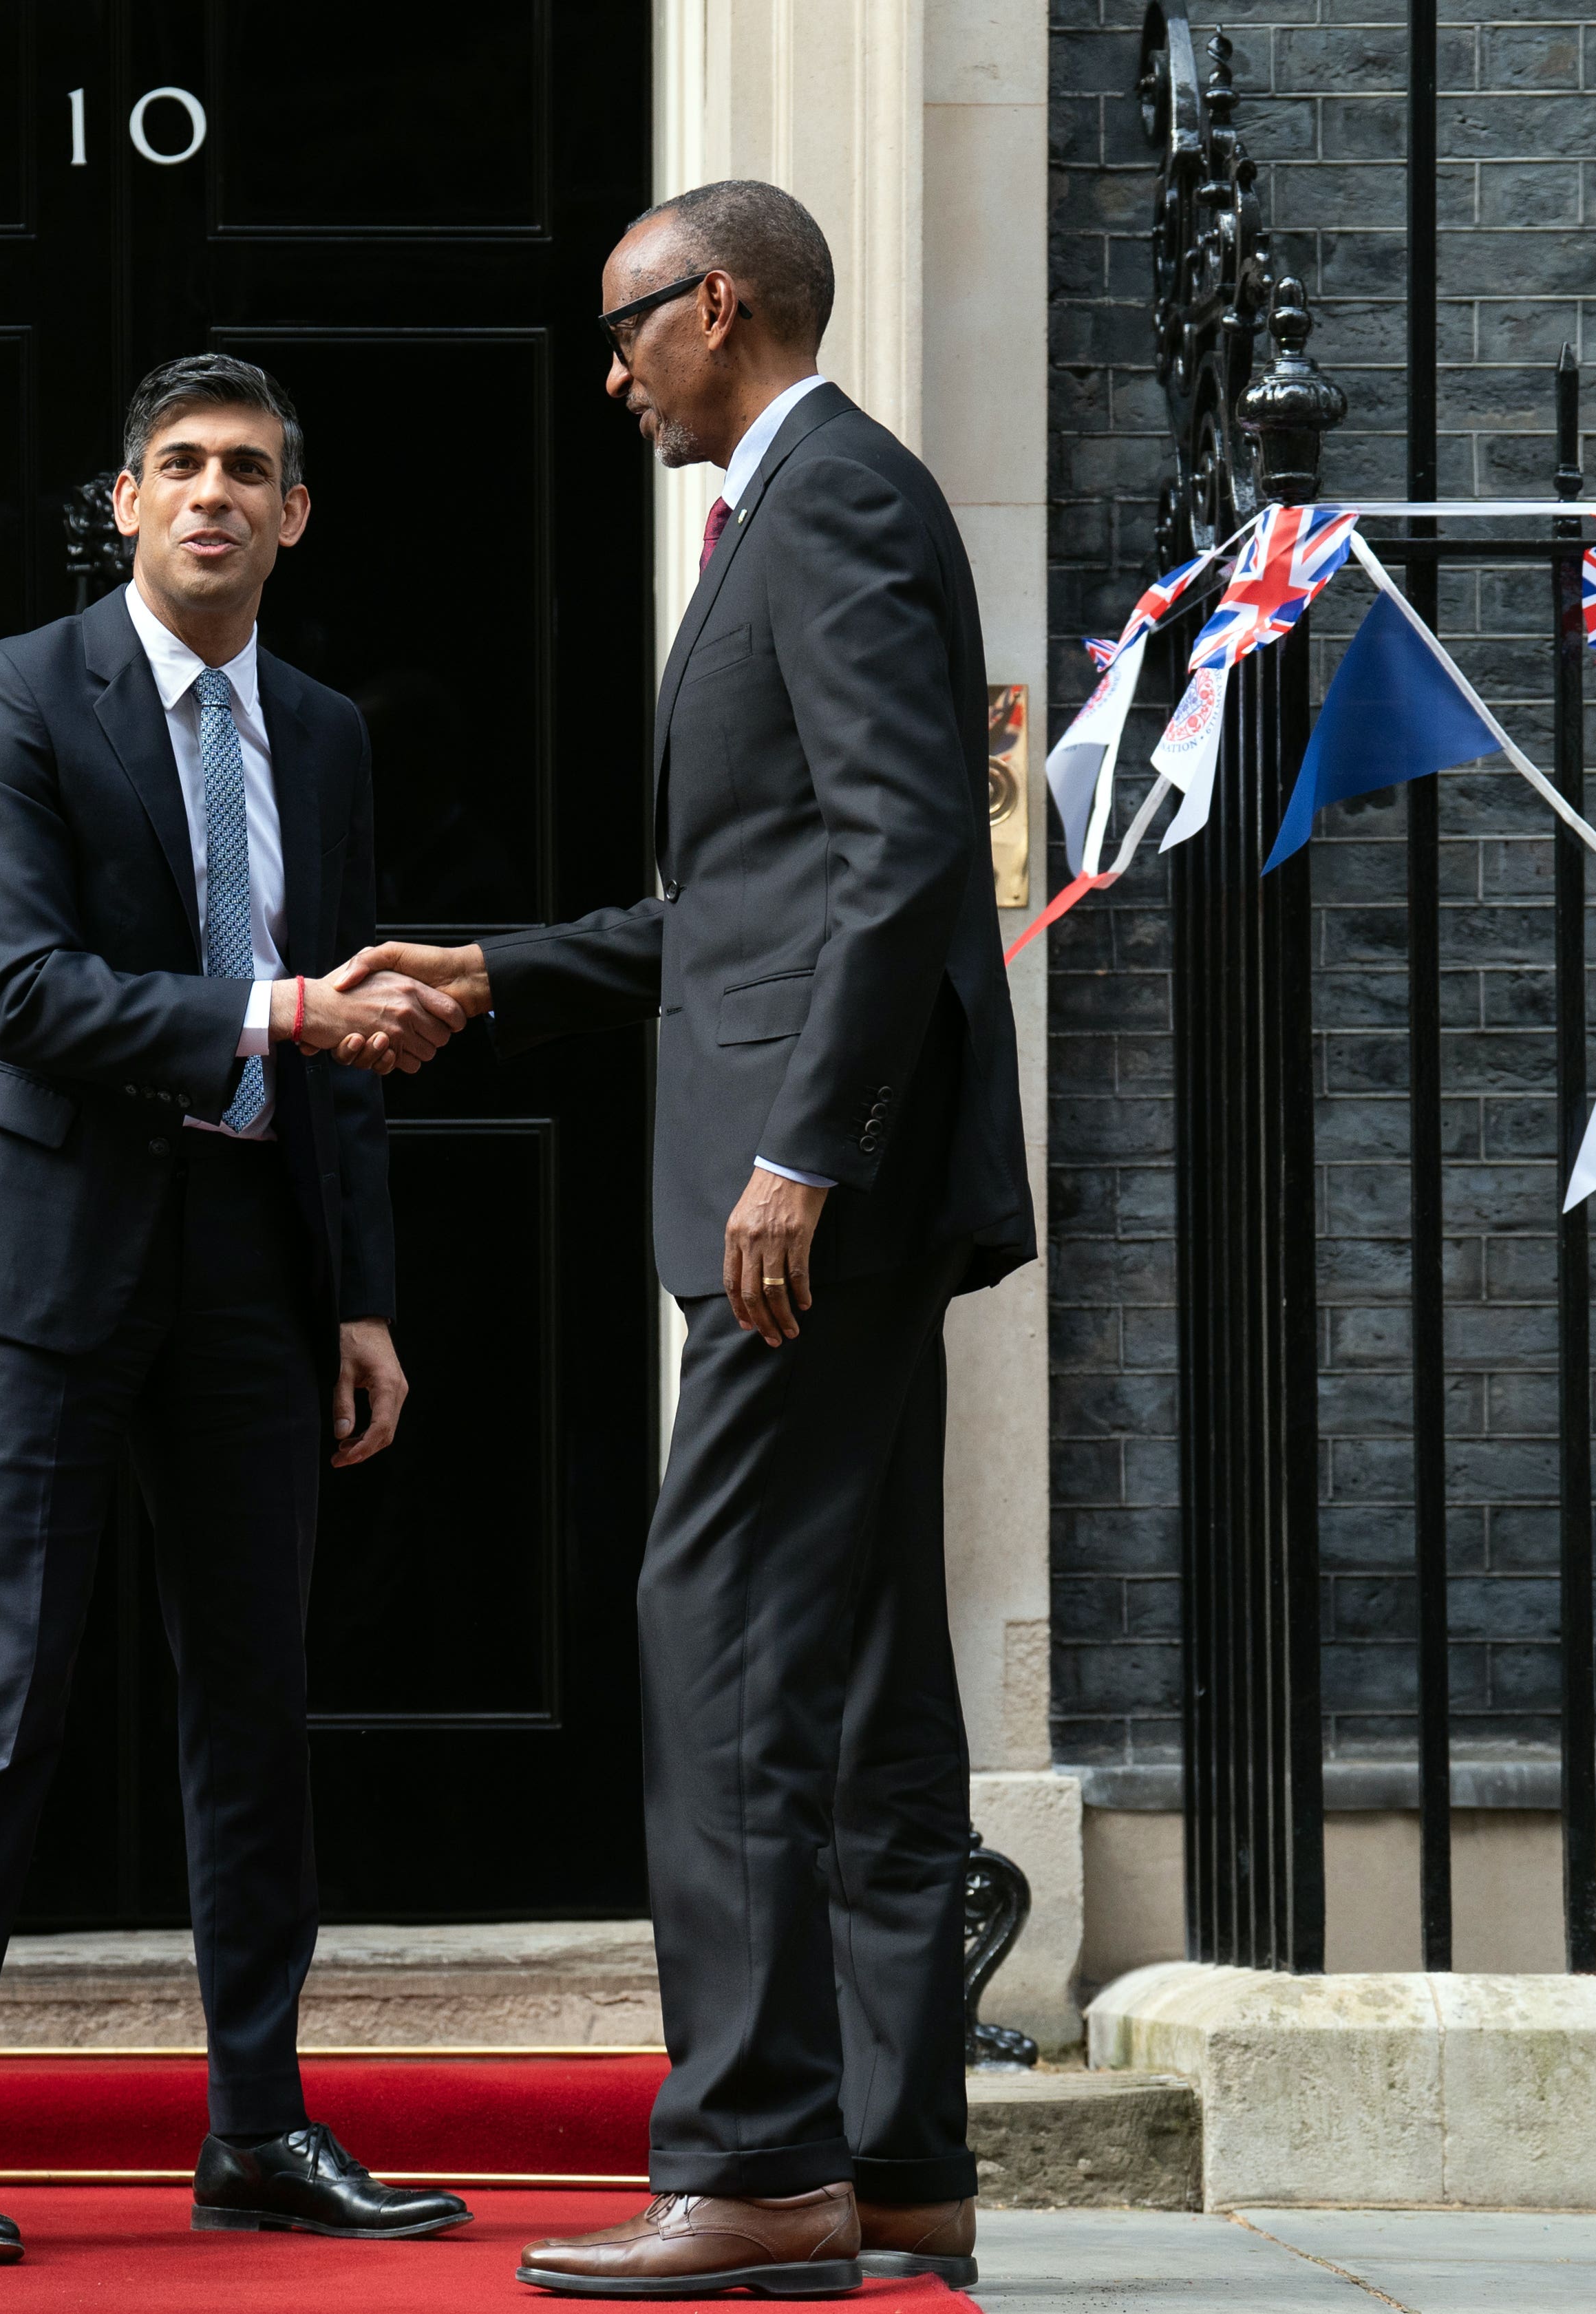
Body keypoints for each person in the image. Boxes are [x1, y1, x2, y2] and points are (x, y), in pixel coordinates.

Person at [343, 181, 1035, 2298]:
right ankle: (901, 2156)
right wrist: (496, 966)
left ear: (716, 307)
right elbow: (753, 896)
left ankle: (749, 2161)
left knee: (713, 1624)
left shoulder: (820, 500)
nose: (613, 364)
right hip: (835, 1181)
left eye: (630, 325)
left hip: (806, 1203)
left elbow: (915, 847)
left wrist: (801, 1154)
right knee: (866, 1676)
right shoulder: (807, 500)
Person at [0, 353, 478, 2263]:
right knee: (1, 1690)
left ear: (294, 516)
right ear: (122, 500)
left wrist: (359, 1295)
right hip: (44, 1254)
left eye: (251, 471)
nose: (213, 494)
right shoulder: (15, 694)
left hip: (252, 1263)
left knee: (254, 1706)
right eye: (180, 466)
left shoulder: (327, 727)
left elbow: (361, 1034)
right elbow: (31, 992)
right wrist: (278, 1012)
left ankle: (258, 2123)